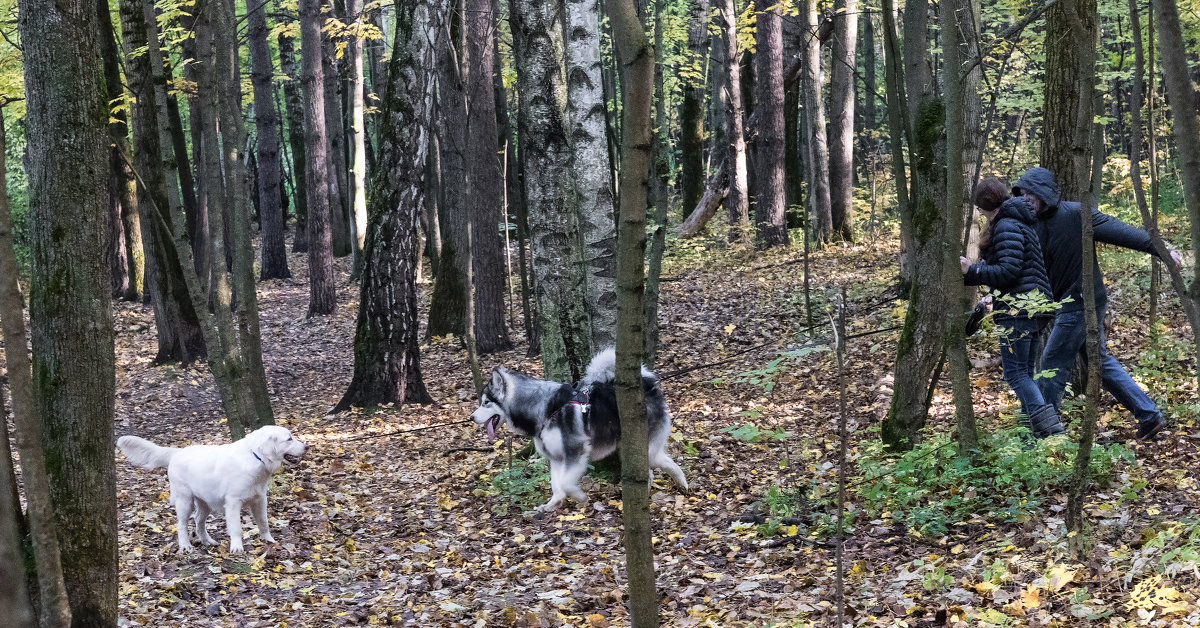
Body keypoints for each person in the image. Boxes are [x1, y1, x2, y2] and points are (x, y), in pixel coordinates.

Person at [1012, 167, 1180, 441]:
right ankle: (1149, 415)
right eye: (1021, 192)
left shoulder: (1076, 214)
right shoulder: (1029, 225)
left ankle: (1041, 434)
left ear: (1044, 193)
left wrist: (1162, 250)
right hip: (1064, 304)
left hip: (1083, 302)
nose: (1026, 197)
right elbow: (1023, 267)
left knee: (1051, 365)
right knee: (1098, 361)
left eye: (1031, 192)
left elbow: (1121, 232)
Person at [960, 178, 1065, 438]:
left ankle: (1052, 435)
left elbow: (1008, 270)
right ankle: (1032, 437)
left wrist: (971, 271)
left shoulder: (1006, 224)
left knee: (1016, 374)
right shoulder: (1017, 221)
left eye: (978, 206)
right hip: (1031, 307)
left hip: (1019, 311)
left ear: (983, 204)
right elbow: (1016, 269)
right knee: (1025, 374)